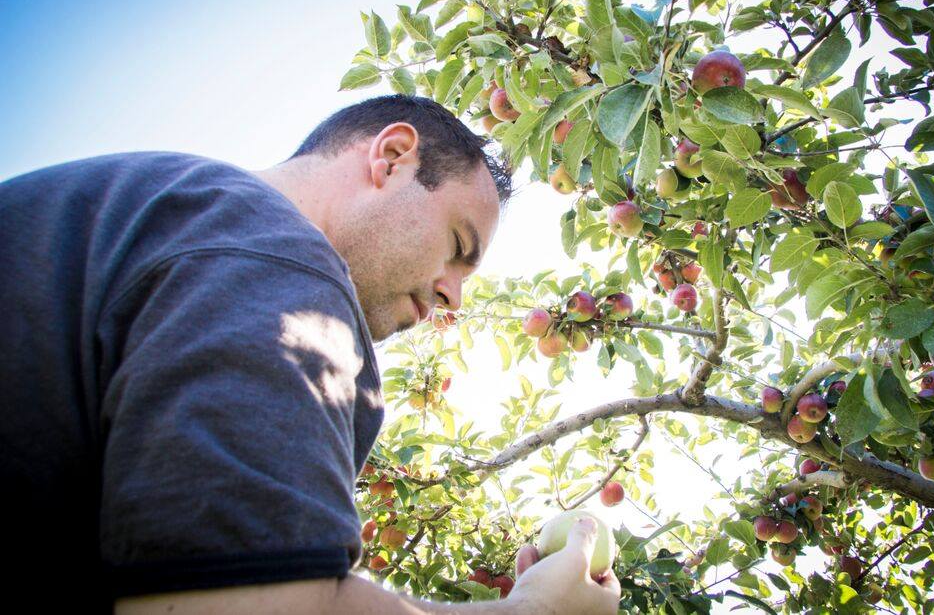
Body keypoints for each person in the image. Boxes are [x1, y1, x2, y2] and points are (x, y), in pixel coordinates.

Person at [0, 94, 621, 614]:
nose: (450, 295)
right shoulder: (274, 257)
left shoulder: (141, 211)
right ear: (394, 157)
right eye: (458, 244)